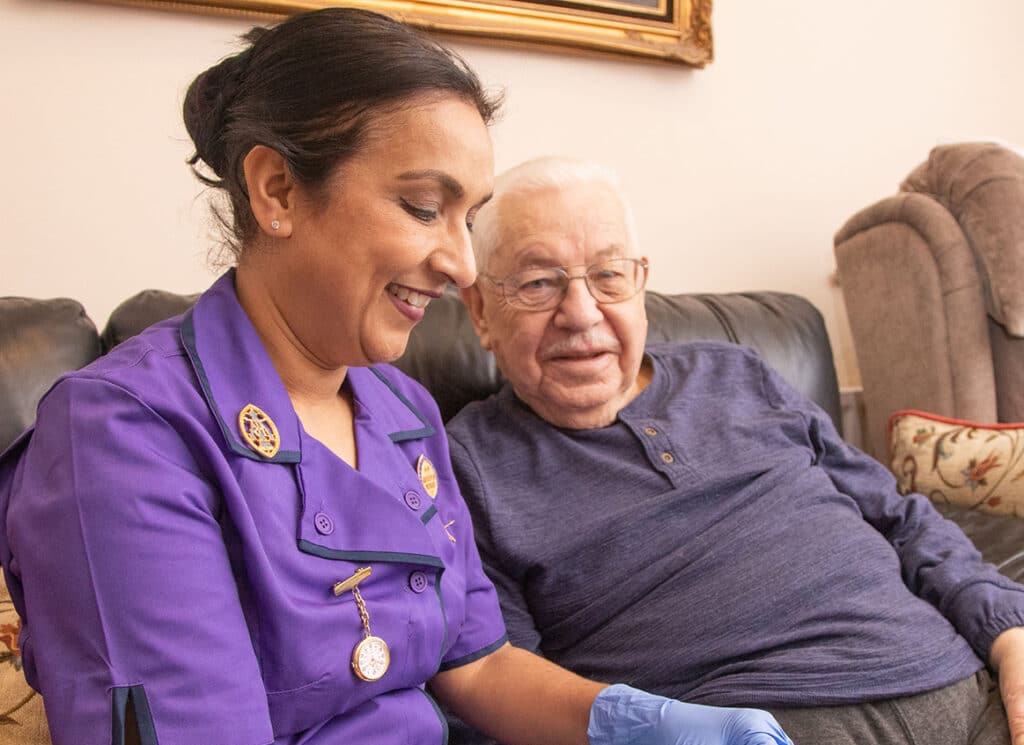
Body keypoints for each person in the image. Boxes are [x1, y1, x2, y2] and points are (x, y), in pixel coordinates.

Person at [0, 10, 794, 745]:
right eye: (423, 207)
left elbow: (478, 663)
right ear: (276, 189)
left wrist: (633, 722)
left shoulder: (402, 410)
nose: (462, 263)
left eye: (468, 216)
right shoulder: (124, 434)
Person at [446, 155, 1024, 745]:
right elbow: (497, 694)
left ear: (641, 280)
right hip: (764, 728)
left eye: (608, 274)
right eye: (539, 282)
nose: (582, 312)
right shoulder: (464, 466)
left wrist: (1009, 632)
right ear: (481, 309)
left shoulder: (735, 371)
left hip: (968, 688)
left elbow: (900, 517)